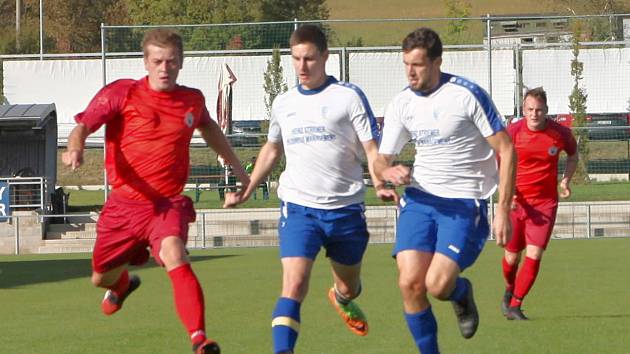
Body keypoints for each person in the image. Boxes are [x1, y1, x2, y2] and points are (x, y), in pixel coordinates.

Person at [62, 29, 249, 354]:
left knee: (175, 255)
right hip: (123, 207)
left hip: (166, 206)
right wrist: (75, 149)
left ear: (181, 63)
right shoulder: (122, 94)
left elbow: (208, 126)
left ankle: (200, 339)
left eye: (172, 61)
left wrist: (237, 166)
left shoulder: (192, 100)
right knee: (100, 278)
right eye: (158, 61)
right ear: (146, 62)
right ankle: (121, 286)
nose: (165, 68)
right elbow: (82, 126)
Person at [224, 25, 396, 354]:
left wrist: (380, 181)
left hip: (345, 210)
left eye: (310, 59)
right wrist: (247, 189)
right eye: (296, 59)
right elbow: (272, 149)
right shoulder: (283, 102)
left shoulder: (348, 97)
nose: (302, 66)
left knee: (349, 286)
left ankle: (342, 297)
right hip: (299, 207)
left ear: (325, 57)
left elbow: (372, 150)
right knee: (294, 284)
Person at [373, 27, 516, 353]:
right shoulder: (402, 103)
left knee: (437, 285)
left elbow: (506, 149)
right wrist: (387, 171)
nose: (410, 72)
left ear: (437, 62)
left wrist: (503, 208)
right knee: (409, 282)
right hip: (421, 198)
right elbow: (380, 160)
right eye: (406, 64)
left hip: (464, 202)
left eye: (418, 65)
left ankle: (460, 292)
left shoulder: (466, 96)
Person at [501, 87, 578, 320]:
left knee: (534, 254)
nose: (534, 114)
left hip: (545, 204)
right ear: (523, 110)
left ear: (547, 111)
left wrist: (565, 181)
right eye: (530, 110)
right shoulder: (512, 132)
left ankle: (515, 305)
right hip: (516, 204)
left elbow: (573, 155)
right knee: (512, 257)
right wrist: (508, 193)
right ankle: (509, 289)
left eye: (539, 110)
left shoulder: (560, 134)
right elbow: (499, 163)